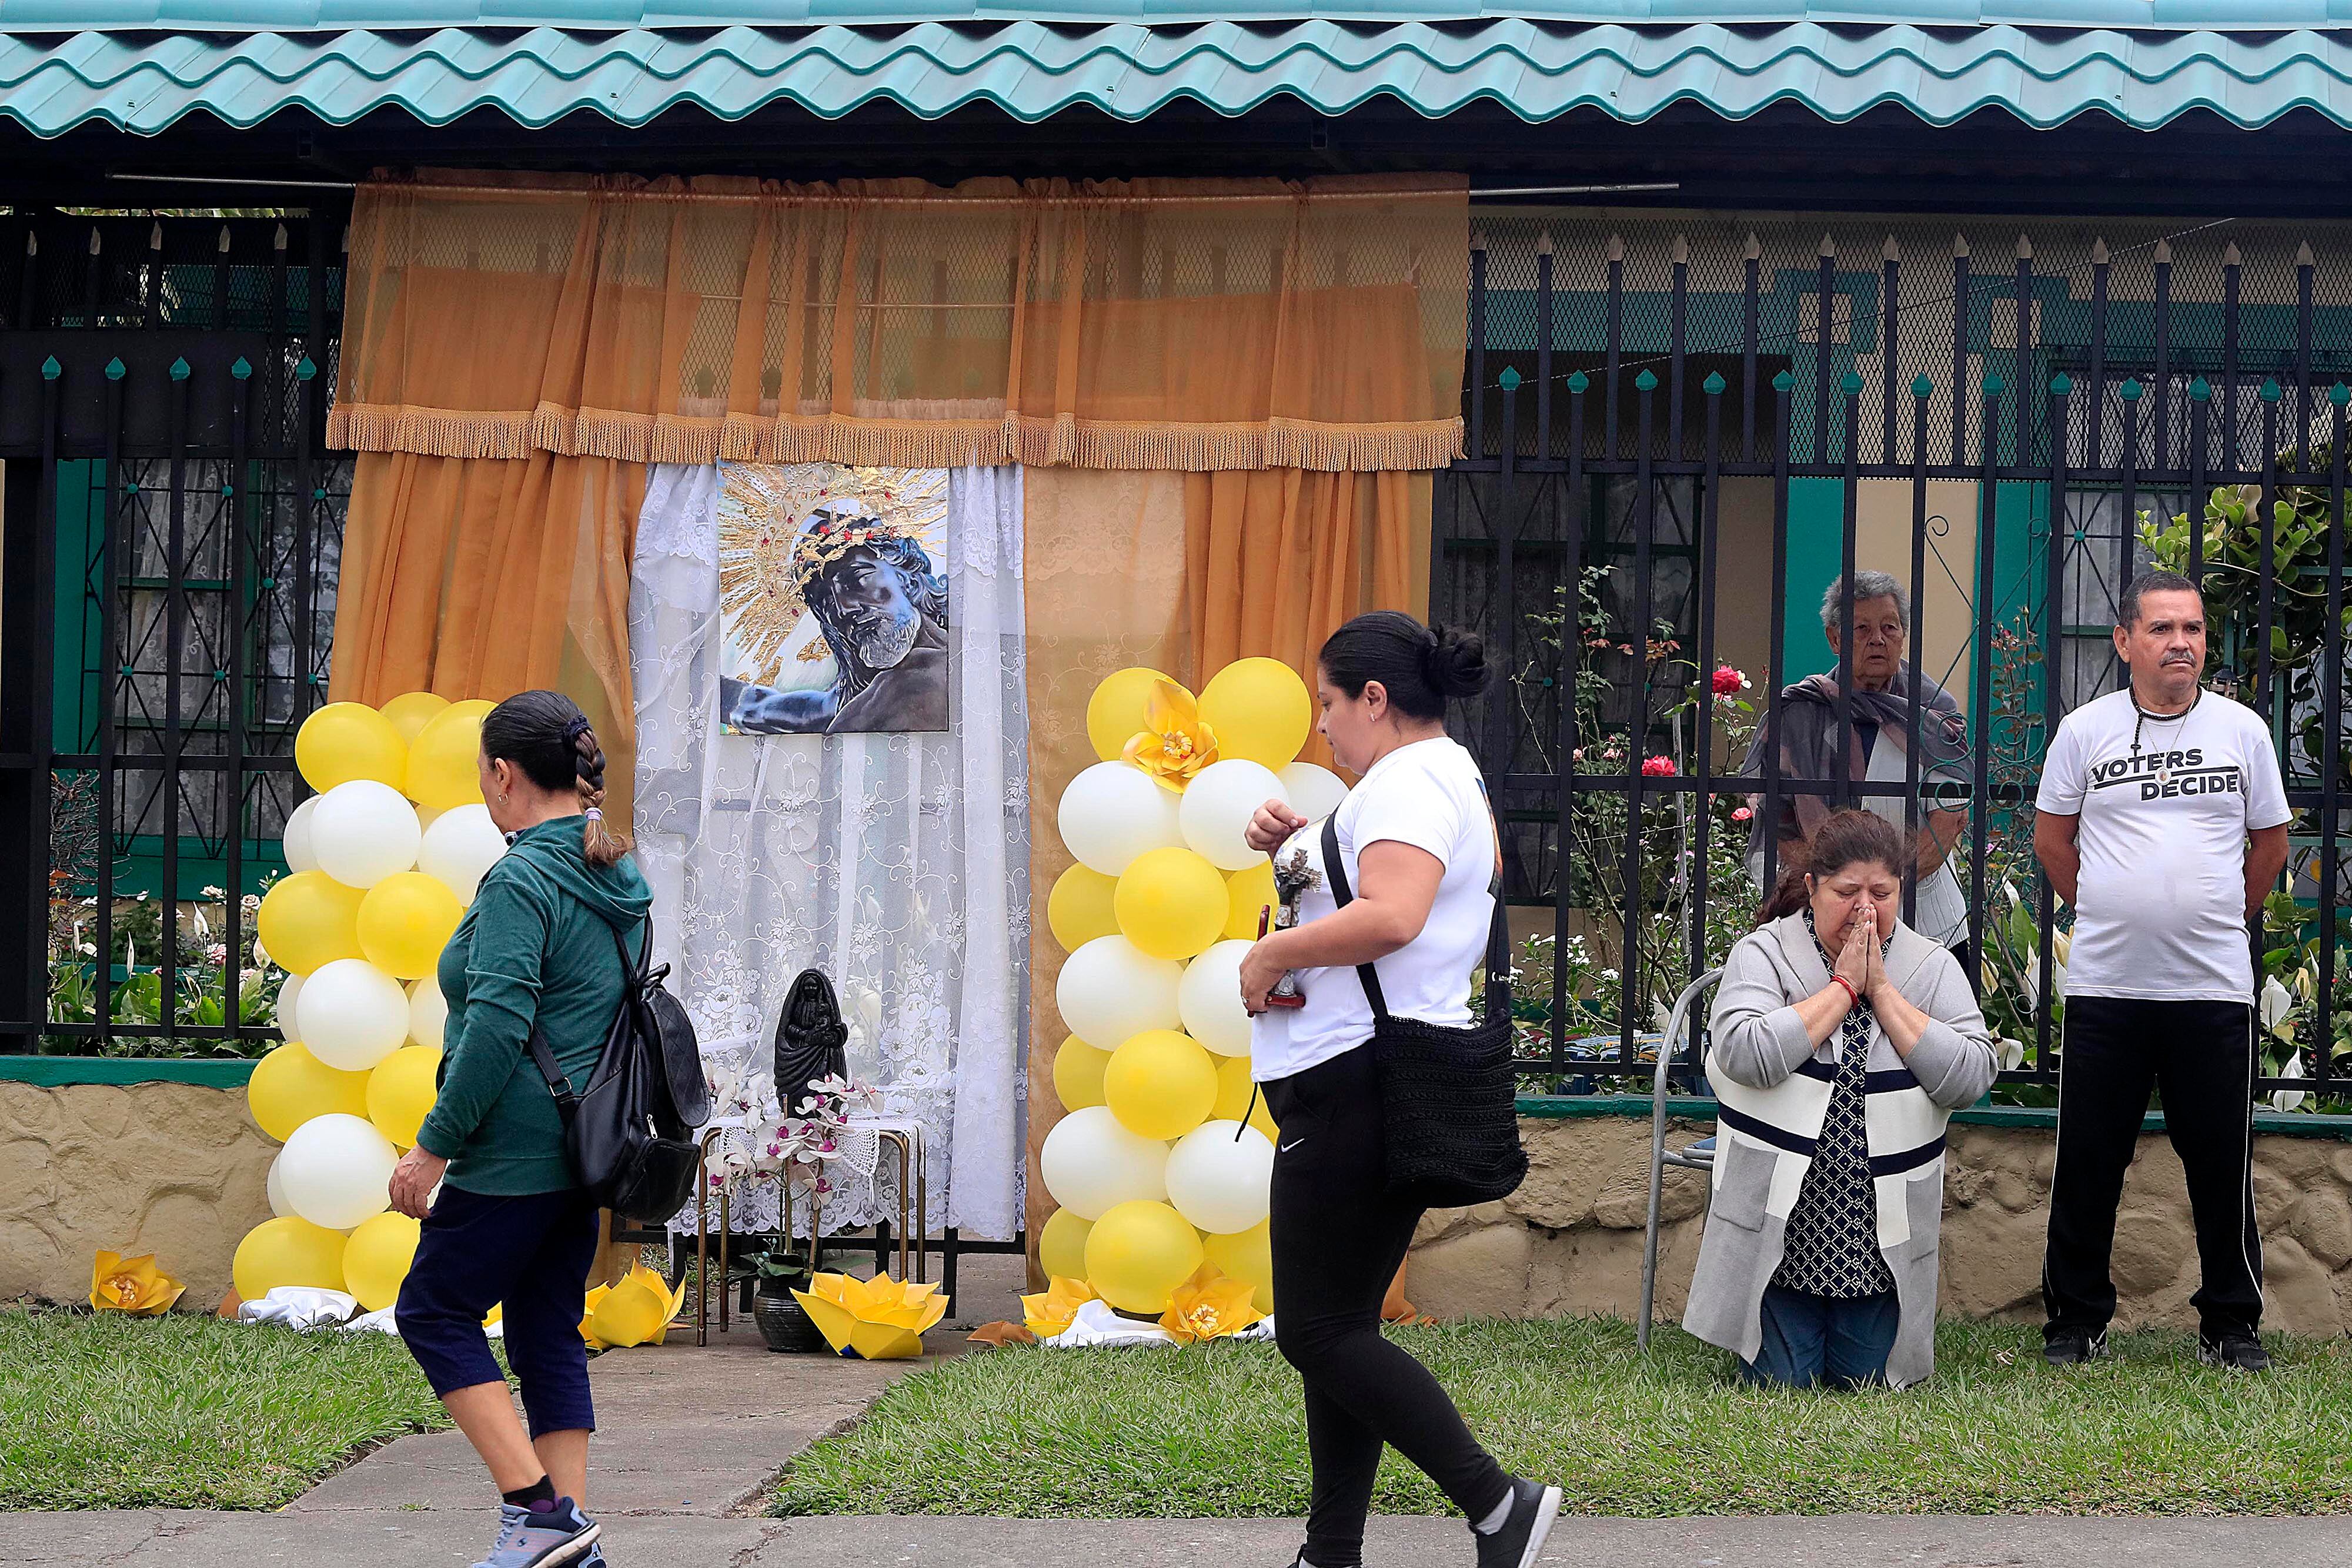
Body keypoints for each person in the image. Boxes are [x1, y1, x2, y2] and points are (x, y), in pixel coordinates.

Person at [1237, 611, 1561, 1568]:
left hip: (1356, 1083)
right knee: (1339, 1326)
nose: (1323, 728)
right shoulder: (1423, 779)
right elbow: (1366, 893)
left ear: (1374, 698)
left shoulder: (1413, 782)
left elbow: (1395, 915)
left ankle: (1499, 1502)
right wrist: (1290, 847)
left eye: (1328, 705)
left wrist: (1270, 951)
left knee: (1319, 1330)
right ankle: (1329, 1552)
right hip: (1359, 1077)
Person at [389, 690, 653, 1568]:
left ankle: (538, 1510)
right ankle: (571, 1538)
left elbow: (499, 1025)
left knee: (433, 1308)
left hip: (514, 1151)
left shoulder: (523, 876)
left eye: (483, 774)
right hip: (590, 1148)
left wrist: (433, 1144)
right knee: (545, 1327)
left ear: (504, 774)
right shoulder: (616, 870)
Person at [2034, 569, 2291, 1372]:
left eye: (2193, 629)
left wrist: (2214, 916)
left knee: (2222, 1164)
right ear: (2125, 641)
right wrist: (2112, 907)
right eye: (2163, 629)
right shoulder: (2085, 731)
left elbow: (2272, 846)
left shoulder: (2243, 731)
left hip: (2211, 990)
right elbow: (2052, 840)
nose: (2182, 642)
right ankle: (2075, 1323)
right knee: (2087, 1161)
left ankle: (2231, 1325)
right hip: (2109, 987)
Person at [1685, 809, 1998, 1389]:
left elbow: (1970, 1076)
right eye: (1846, 892)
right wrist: (1843, 988)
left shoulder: (1927, 966)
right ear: (1811, 888)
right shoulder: (1765, 953)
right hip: (1781, 1235)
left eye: (1881, 893)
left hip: (1875, 1243)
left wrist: (1882, 991)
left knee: (1868, 1383)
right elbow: (1742, 1054)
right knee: (1783, 1385)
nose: (1865, 910)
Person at [1746, 571, 1973, 964]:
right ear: (1835, 639)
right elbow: (1780, 822)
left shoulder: (1935, 714)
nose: (1878, 639)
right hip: (1828, 926)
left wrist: (1880, 886)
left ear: (1903, 635)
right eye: (1862, 628)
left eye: (1890, 626)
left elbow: (1947, 821)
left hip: (1929, 924)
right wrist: (1843, 893)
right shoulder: (1799, 715)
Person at [722, 500, 950, 734]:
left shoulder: (931, 674)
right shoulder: (861, 700)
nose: (843, 609)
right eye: (827, 602)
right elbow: (769, 710)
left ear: (906, 578)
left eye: (855, 581)